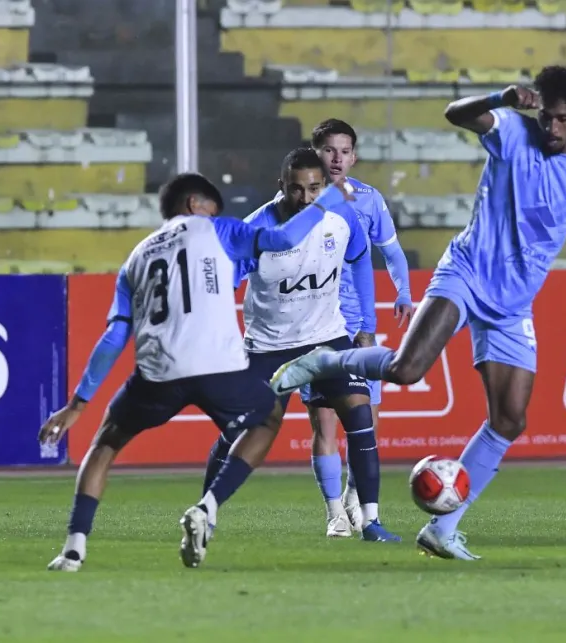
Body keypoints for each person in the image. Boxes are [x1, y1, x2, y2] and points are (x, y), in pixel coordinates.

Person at [271, 65, 566, 560]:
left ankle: (442, 528)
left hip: (514, 301)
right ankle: (326, 362)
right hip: (468, 272)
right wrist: (501, 96)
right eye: (547, 117)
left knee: (510, 420)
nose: (552, 128)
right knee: (406, 369)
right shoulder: (512, 130)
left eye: (562, 119)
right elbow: (455, 113)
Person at [39, 172, 355, 571]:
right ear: (194, 205)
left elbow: (114, 337)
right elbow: (284, 239)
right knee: (268, 418)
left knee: (104, 445)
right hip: (217, 367)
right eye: (212, 208)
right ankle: (209, 505)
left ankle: (73, 548)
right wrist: (329, 200)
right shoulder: (217, 229)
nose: (215, 214)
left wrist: (77, 404)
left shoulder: (136, 258)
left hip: (156, 374)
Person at [201, 147, 400, 542]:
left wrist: (366, 327)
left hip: (327, 338)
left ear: (324, 186)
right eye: (296, 190)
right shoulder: (256, 228)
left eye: (314, 189)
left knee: (360, 417)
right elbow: (224, 283)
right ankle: (204, 510)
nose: (306, 198)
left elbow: (361, 259)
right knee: (238, 428)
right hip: (268, 347)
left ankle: (371, 521)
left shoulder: (342, 217)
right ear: (282, 186)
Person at [307, 118, 413, 535]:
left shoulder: (368, 200)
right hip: (314, 324)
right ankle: (334, 513)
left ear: (354, 156)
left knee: (366, 422)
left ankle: (355, 498)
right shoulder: (298, 201)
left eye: (344, 150)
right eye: (329, 150)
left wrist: (403, 290)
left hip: (358, 326)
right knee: (324, 423)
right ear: (316, 153)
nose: (337, 158)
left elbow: (392, 251)